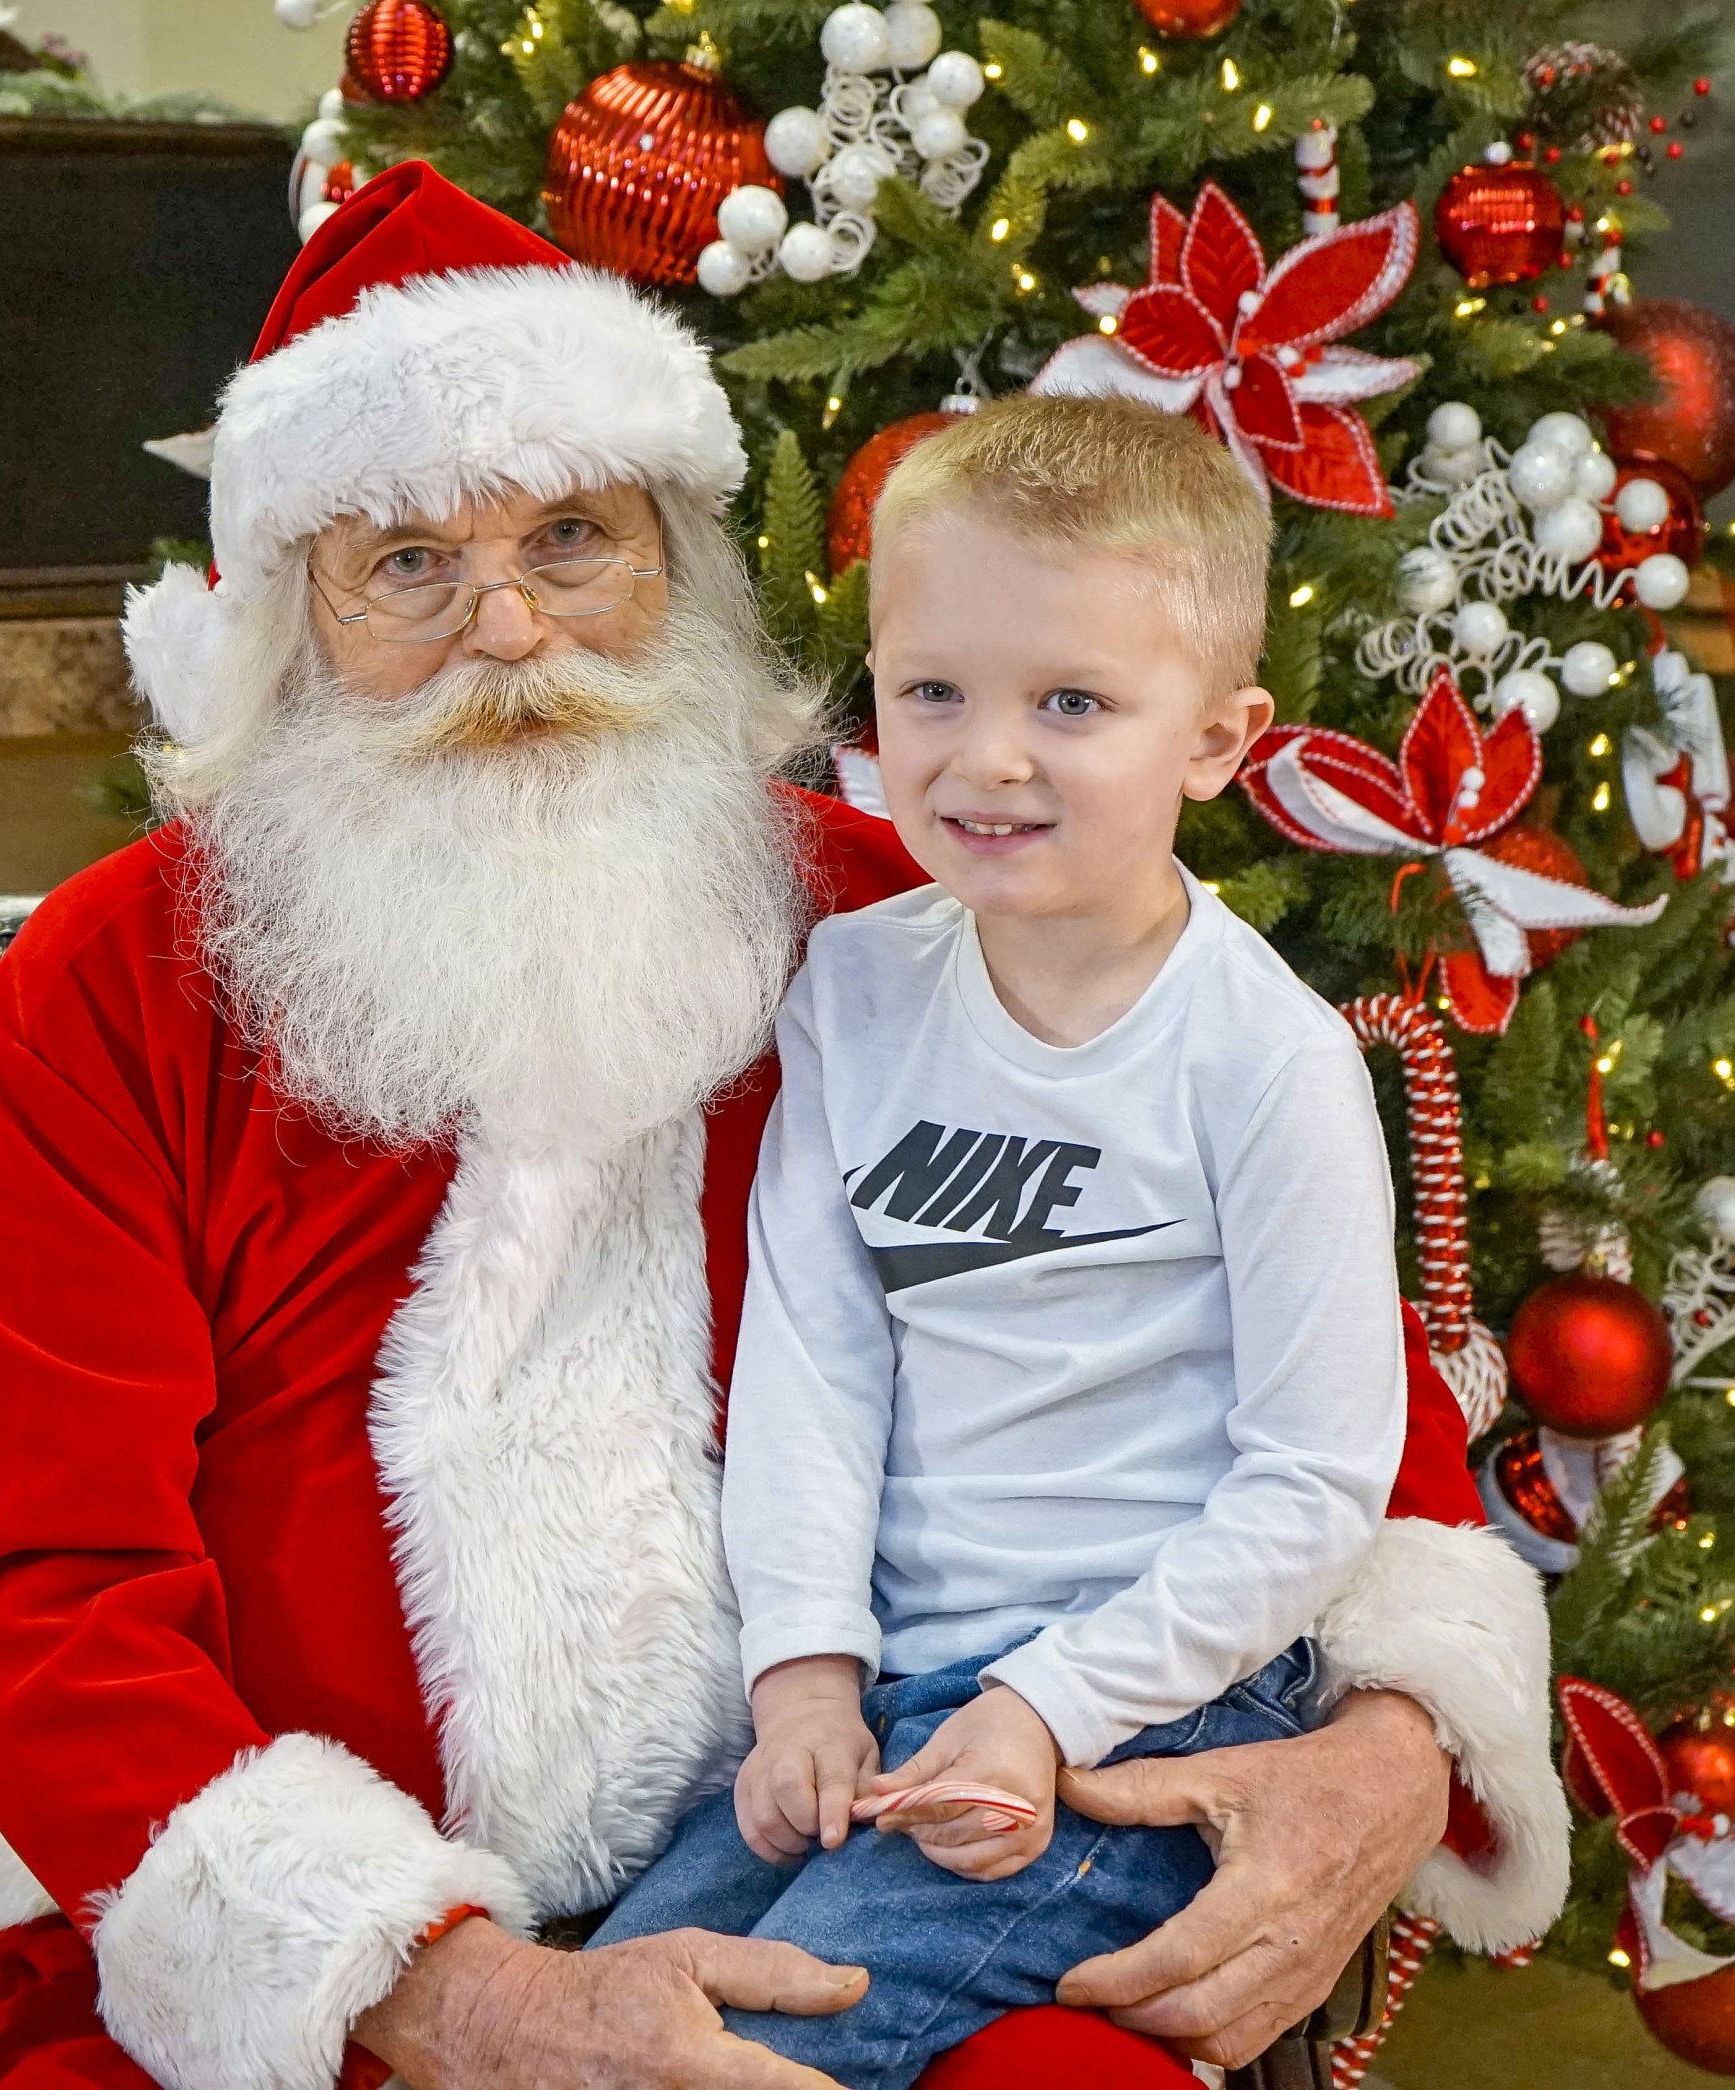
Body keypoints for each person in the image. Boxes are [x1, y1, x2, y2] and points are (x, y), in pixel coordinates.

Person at [0, 163, 1569, 2090]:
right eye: (406, 563)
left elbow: (1344, 1422)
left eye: (570, 536)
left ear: (676, 561)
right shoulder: (120, 982)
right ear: (290, 618)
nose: (510, 628)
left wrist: (1390, 1746)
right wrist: (447, 1989)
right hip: (320, 1979)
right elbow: (32, 1588)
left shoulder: (907, 919)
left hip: (885, 1841)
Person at [592, 395, 1422, 2089]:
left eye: (1072, 703)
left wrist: (1051, 1701)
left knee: (760, 2042)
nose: (986, 757)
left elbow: (1317, 1479)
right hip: (891, 1691)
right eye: (933, 693)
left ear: (1217, 738)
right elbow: (817, 1363)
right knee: (611, 2001)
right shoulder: (855, 989)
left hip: (1152, 1708)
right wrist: (804, 1674)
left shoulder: (1263, 1061)